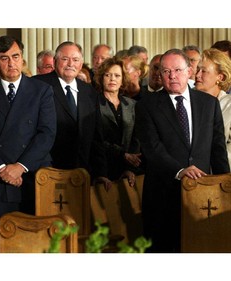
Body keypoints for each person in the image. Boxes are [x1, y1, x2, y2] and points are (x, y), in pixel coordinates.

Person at [135, 48, 230, 253]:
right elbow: (152, 148)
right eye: (166, 71)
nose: (172, 76)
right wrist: (180, 170)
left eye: (177, 70)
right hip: (163, 193)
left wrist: (225, 185)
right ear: (160, 74)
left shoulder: (209, 103)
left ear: (189, 71)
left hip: (202, 195)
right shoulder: (147, 105)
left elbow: (217, 148)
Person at [0, 35, 56, 230]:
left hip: (34, 175)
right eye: (4, 58)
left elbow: (46, 134)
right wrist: (2, 169)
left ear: (22, 58)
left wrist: (20, 167)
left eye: (15, 56)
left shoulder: (42, 90)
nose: (11, 63)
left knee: (39, 242)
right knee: (5, 240)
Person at [33, 41, 110, 188]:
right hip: (47, 173)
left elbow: (96, 136)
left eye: (75, 60)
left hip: (81, 173)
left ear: (81, 64)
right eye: (64, 59)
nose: (70, 64)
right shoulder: (38, 86)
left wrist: (101, 172)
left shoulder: (89, 92)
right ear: (55, 62)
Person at [94, 57, 143, 186]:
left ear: (122, 80)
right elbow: (95, 139)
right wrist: (122, 154)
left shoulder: (132, 105)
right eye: (108, 75)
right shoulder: (93, 104)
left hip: (128, 170)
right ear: (101, 78)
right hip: (101, 169)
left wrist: (130, 167)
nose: (112, 79)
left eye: (117, 75)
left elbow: (136, 138)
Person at [195, 48, 231, 167]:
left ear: (220, 77)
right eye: (197, 69)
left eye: (204, 71)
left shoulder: (229, 106)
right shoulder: (186, 101)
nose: (197, 75)